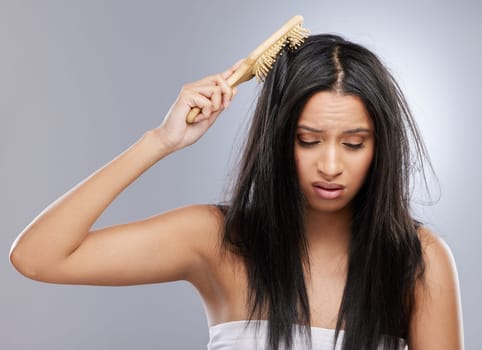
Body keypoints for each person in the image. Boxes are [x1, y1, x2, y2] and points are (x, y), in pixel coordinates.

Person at [9, 34, 463, 350]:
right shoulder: (217, 239)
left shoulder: (417, 260)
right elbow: (38, 256)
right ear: (278, 139)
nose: (330, 165)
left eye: (353, 144)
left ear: (380, 146)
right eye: (308, 140)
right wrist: (160, 141)